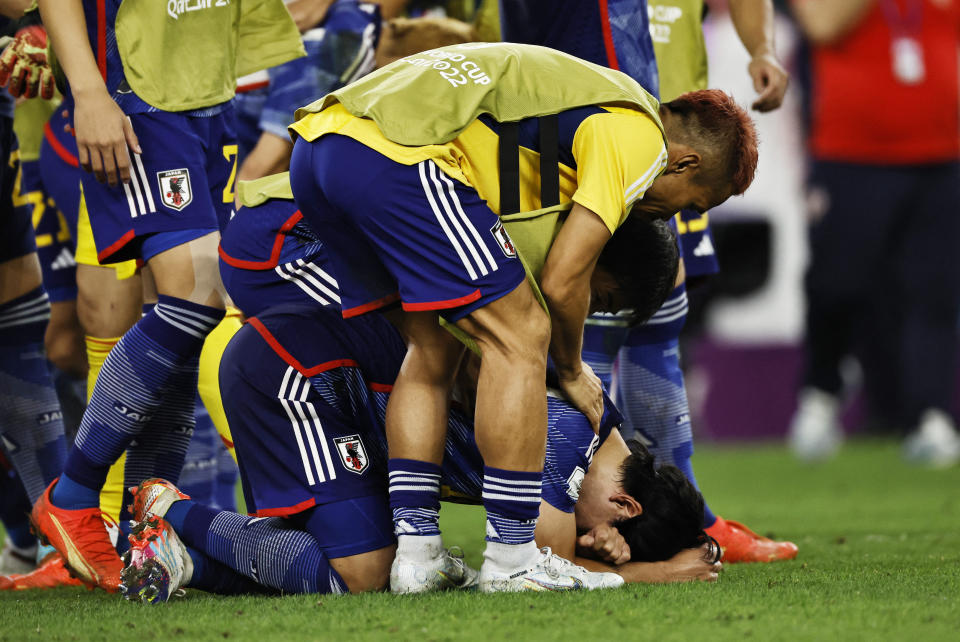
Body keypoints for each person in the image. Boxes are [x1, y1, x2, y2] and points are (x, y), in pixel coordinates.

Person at [288, 41, 757, 592]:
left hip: (320, 146)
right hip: (396, 154)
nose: (674, 214)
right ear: (684, 163)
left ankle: (418, 558)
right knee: (523, 333)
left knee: (432, 347)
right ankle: (513, 562)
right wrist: (572, 367)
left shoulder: (599, 95)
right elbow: (564, 280)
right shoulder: (640, 137)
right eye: (692, 204)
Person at [118, 298, 720, 603]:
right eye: (603, 538)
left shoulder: (595, 418)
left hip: (324, 383)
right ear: (626, 506)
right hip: (300, 373)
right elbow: (539, 561)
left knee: (361, 570)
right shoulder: (565, 436)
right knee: (364, 574)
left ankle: (181, 557)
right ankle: (170, 509)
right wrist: (651, 573)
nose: (587, 541)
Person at [501, 0, 797, 563]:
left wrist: (760, 48)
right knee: (586, 306)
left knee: (653, 309)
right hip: (620, 122)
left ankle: (672, 512)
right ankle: (582, 510)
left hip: (680, 125)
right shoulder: (626, 126)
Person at [29, 0, 304, 593]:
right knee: (196, 298)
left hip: (207, 92)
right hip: (136, 98)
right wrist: (90, 92)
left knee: (186, 321)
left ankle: (142, 533)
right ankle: (73, 494)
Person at [787, 0, 960, 466]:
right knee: (838, 283)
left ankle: (928, 413)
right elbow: (821, 23)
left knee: (936, 290)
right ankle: (821, 392)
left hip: (941, 153)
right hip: (851, 152)